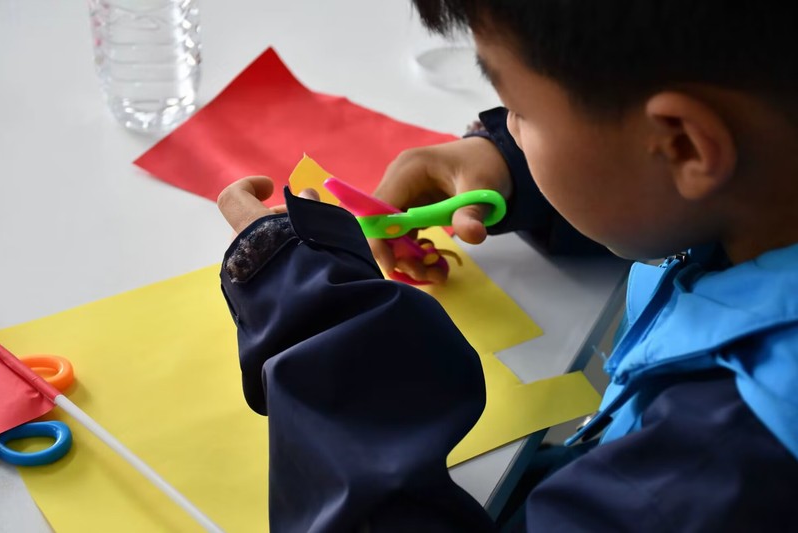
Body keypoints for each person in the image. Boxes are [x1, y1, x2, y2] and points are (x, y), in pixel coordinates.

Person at [216, 0, 798, 530]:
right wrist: (514, 169)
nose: (512, 128)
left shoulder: (702, 477)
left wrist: (316, 322)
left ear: (684, 146)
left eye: (519, 111)